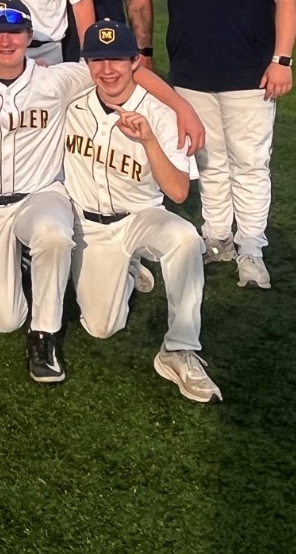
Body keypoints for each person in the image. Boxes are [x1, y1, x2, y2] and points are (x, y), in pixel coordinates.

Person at [0, 0, 203, 384]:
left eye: (14, 31)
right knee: (6, 320)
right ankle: (83, 268)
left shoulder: (58, 80)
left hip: (61, 201)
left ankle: (51, 334)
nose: (5, 41)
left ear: (29, 36)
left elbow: (132, 74)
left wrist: (180, 107)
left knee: (174, 240)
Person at [154, 0, 296, 289]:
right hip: (189, 74)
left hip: (250, 74)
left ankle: (252, 247)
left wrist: (282, 60)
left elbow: (287, 1)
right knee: (208, 162)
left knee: (251, 163)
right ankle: (217, 238)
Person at [63, 22, 221, 402]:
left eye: (117, 58)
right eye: (97, 59)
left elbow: (179, 192)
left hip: (139, 218)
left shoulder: (162, 115)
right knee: (102, 327)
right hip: (88, 225)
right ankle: (129, 269)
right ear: (85, 63)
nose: (107, 69)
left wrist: (149, 140)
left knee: (185, 238)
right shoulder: (72, 99)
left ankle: (179, 348)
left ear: (136, 60)